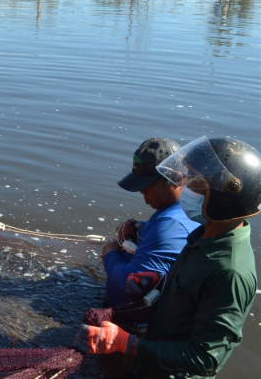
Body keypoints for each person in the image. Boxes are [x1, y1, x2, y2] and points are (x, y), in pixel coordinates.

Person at [76, 137, 259, 379]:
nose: (185, 186)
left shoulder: (230, 272)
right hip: (149, 360)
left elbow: (205, 358)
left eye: (194, 182)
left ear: (223, 198)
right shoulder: (202, 234)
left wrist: (127, 344)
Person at [101, 138, 200, 306]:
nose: (141, 190)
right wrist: (141, 228)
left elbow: (131, 284)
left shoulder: (171, 227)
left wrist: (109, 253)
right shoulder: (186, 208)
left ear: (176, 178)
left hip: (135, 319)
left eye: (147, 185)